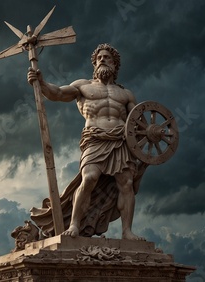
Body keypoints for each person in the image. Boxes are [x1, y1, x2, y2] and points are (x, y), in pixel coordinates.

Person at [28, 43, 145, 240]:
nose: (102, 60)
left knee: (126, 183)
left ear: (115, 65)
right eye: (99, 58)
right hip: (94, 139)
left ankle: (127, 231)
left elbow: (139, 122)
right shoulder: (83, 86)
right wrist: (41, 82)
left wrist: (153, 132)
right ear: (94, 64)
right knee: (89, 178)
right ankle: (74, 225)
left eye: (107, 58)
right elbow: (57, 93)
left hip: (120, 141)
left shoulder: (126, 93)